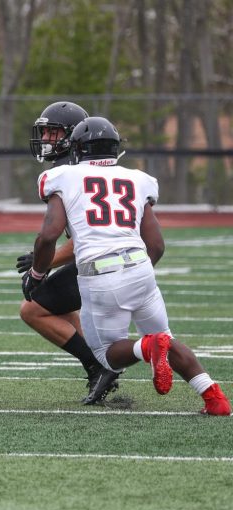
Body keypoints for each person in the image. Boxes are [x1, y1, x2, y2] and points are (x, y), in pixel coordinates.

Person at [24, 116, 230, 415]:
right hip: (141, 267)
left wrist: (37, 273)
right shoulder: (139, 179)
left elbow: (49, 235)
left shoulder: (62, 177)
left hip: (101, 273)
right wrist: (137, 273)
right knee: (168, 339)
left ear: (78, 148)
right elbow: (157, 244)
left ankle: (146, 348)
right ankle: (215, 398)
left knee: (108, 357)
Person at [20, 101, 120, 404]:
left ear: (69, 137)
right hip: (127, 259)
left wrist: (41, 266)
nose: (46, 140)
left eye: (52, 133)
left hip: (101, 261)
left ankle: (98, 366)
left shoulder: (65, 175)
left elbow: (78, 242)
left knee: (32, 310)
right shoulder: (89, 169)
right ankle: (98, 367)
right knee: (60, 308)